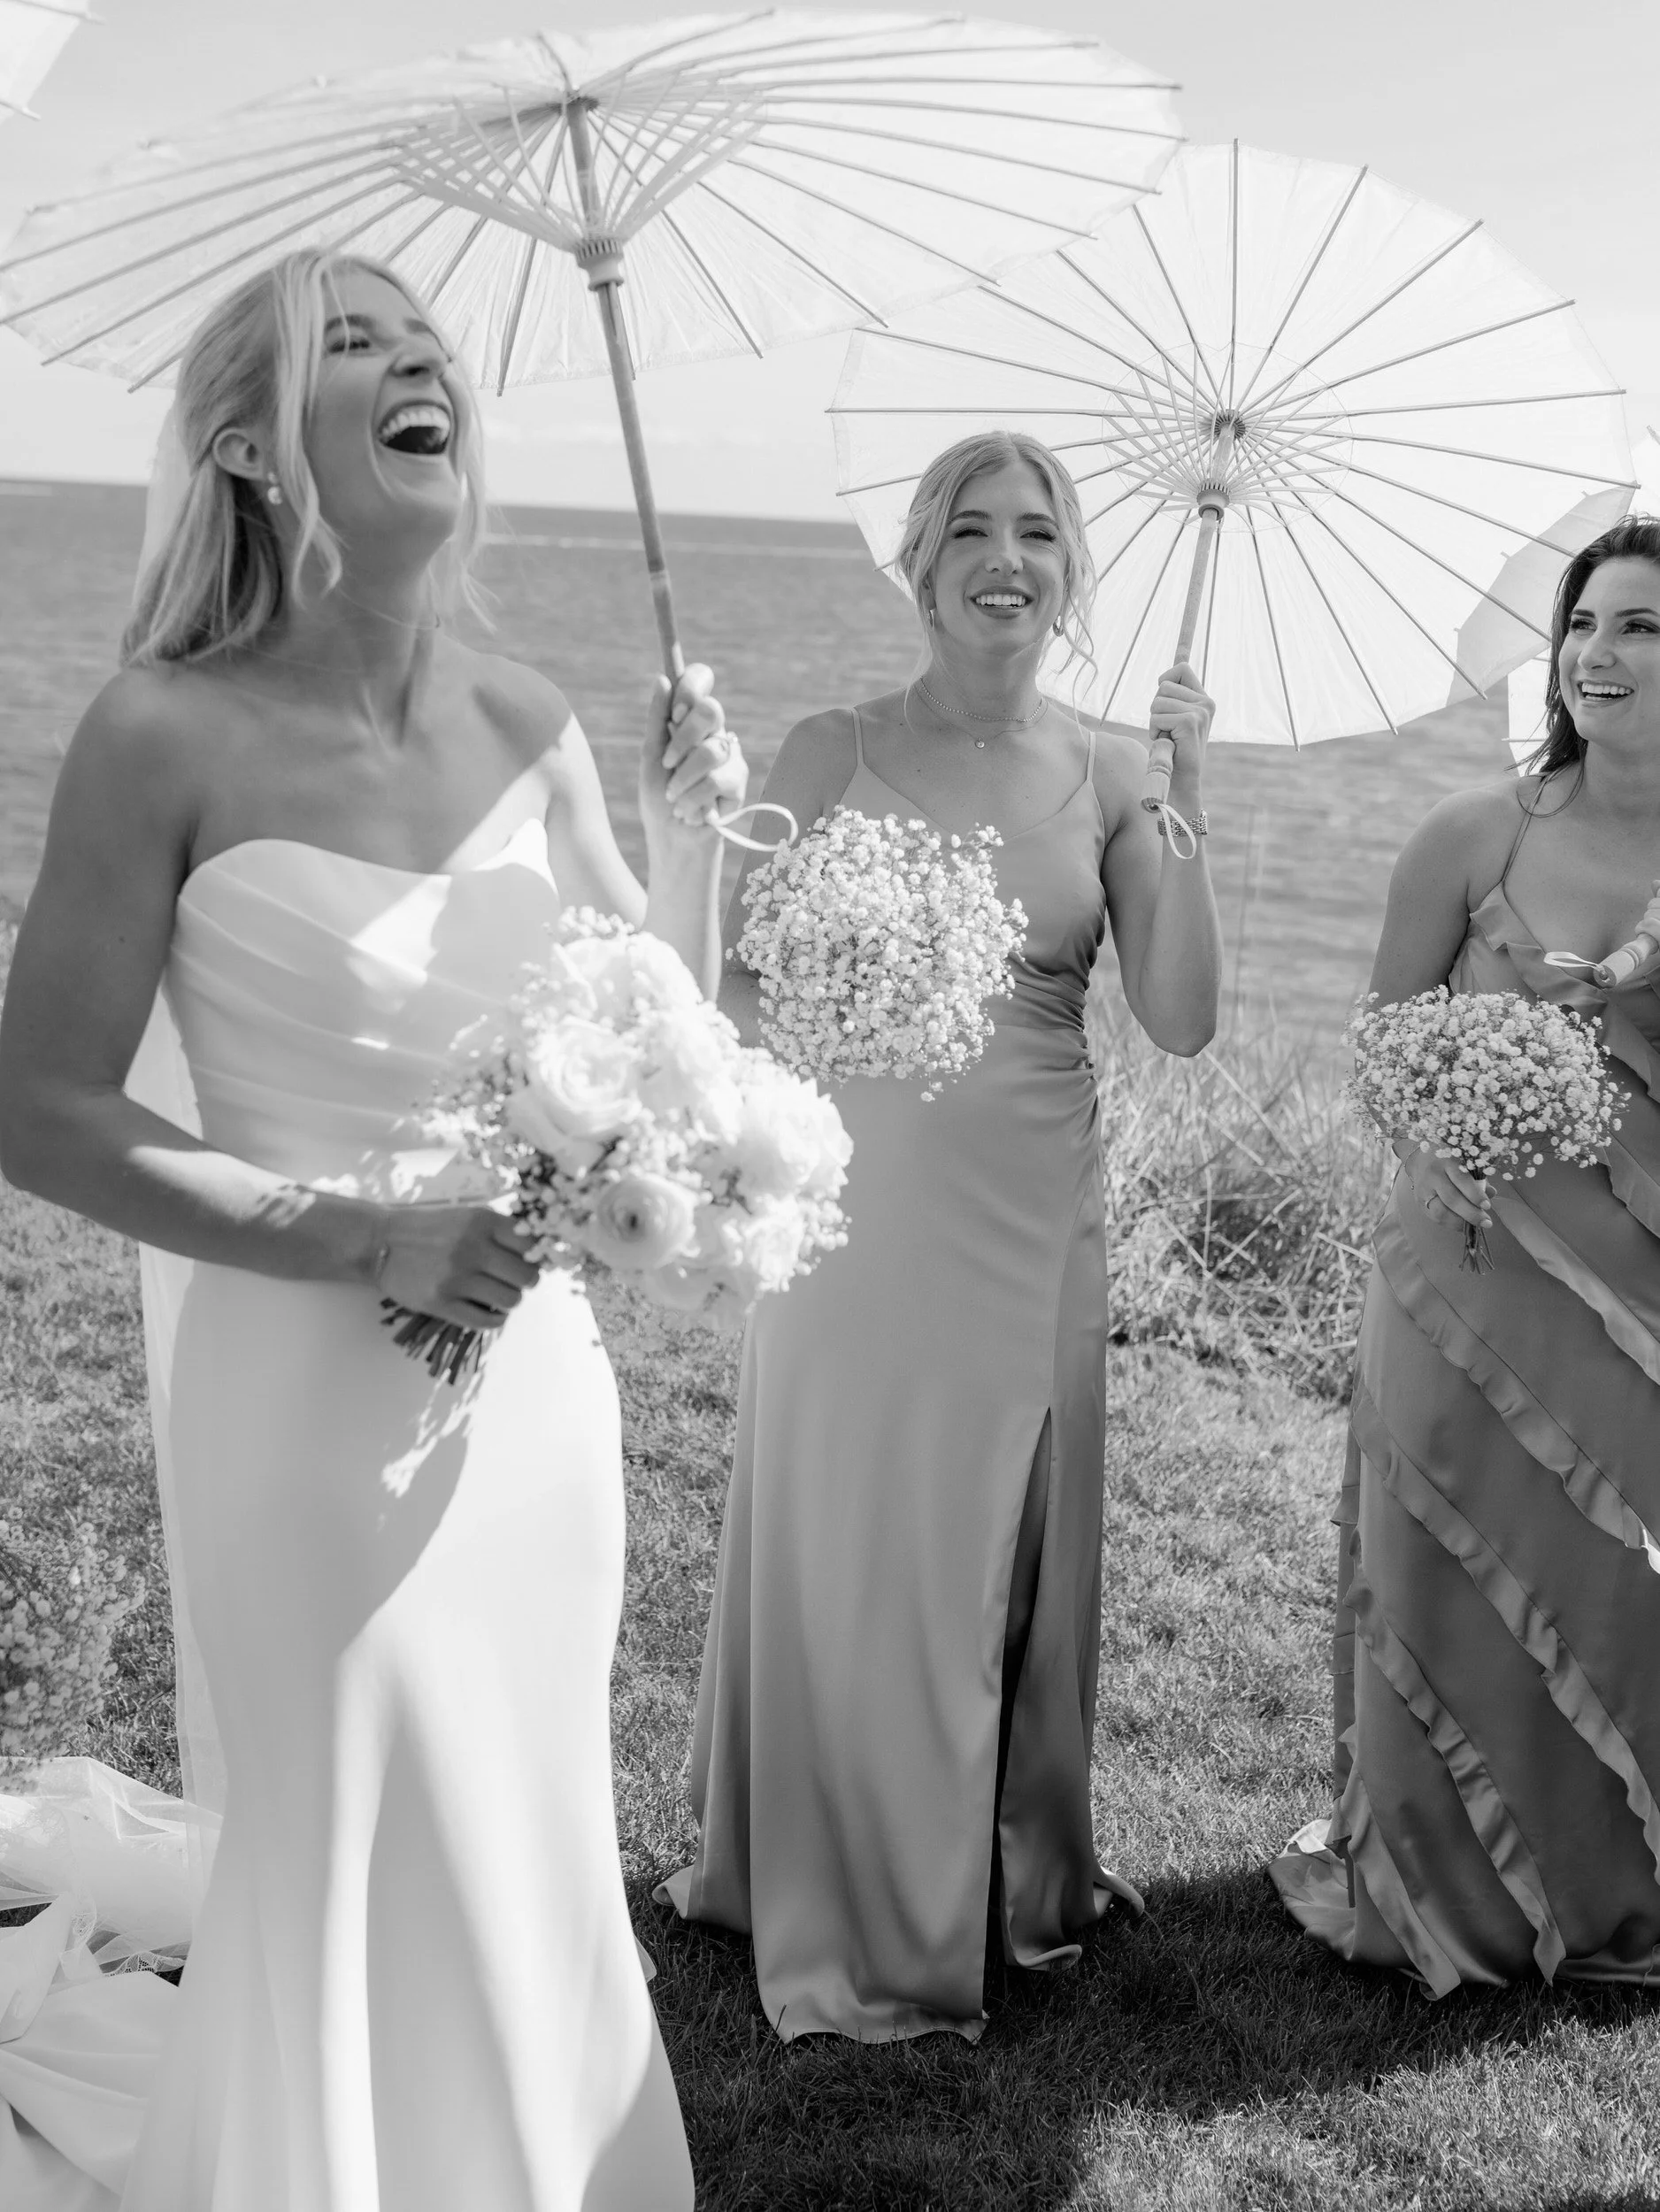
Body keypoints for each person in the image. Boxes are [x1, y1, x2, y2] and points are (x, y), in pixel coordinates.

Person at [0, 246, 747, 2208]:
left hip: (536, 1401)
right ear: (252, 448)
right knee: (341, 1827)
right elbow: (40, 1105)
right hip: (301, 1394)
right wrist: (368, 1239)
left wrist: (687, 837)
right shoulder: (160, 731)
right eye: (357, 342)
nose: (423, 362)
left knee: (522, 1811)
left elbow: (652, 1031)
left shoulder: (532, 716)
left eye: (428, 341)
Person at [658, 430, 1223, 2040]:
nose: (1004, 558)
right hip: (850, 1216)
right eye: (969, 528)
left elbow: (1181, 1017)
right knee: (854, 1532)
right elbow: (725, 989)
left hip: (1033, 1221)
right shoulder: (827, 749)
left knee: (993, 1537)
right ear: (919, 562)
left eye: (1036, 532)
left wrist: (1190, 800)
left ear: (1070, 573)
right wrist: (693, 842)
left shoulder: (1115, 773)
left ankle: (991, 1872)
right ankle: (837, 1874)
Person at [1272, 517, 1660, 1991]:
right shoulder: (1472, 833)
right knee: (1443, 1576)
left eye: (1640, 627)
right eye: (1585, 624)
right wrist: (1442, 1135)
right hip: (1462, 1269)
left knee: (1617, 1588)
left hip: (1640, 1294)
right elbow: (1379, 1041)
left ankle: (1612, 1890)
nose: (1598, 653)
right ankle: (1441, 1892)